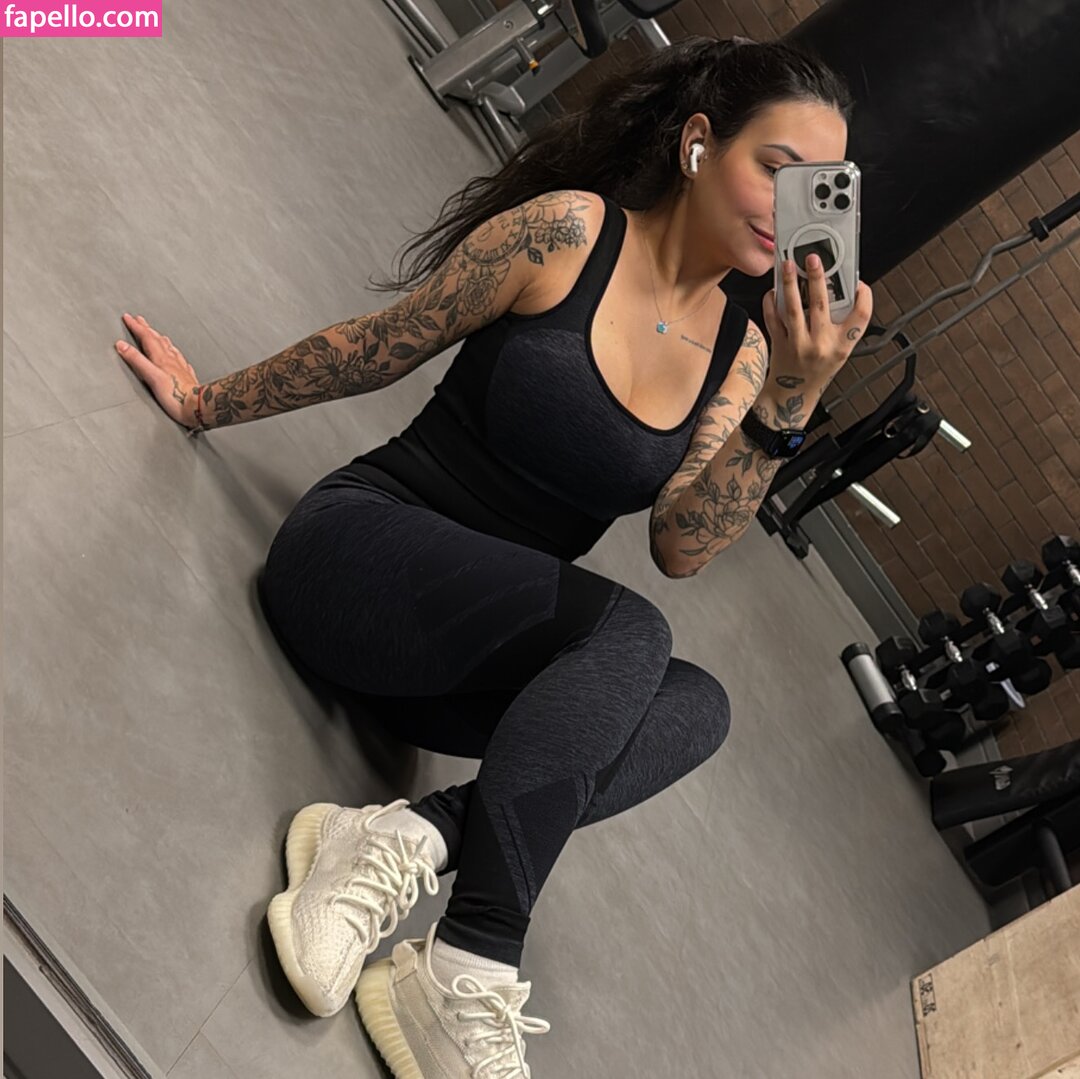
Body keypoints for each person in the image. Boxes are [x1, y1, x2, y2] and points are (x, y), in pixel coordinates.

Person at [115, 35, 872, 1079]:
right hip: (355, 561)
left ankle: (407, 838)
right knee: (631, 633)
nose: (788, 213)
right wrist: (206, 401)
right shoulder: (570, 232)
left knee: (697, 705)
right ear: (700, 144)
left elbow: (681, 545)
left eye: (814, 193)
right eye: (774, 171)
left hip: (448, 679)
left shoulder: (744, 355)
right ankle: (469, 955)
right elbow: (379, 344)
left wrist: (790, 398)